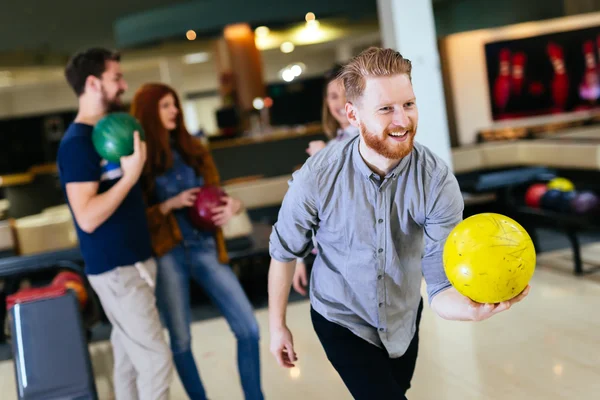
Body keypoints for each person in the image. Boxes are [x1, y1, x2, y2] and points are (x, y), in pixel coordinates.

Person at [267, 47, 530, 400]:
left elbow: (439, 284)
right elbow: (283, 252)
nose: (402, 120)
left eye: (408, 104)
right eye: (386, 108)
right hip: (339, 314)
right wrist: (277, 326)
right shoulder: (317, 177)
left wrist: (472, 309)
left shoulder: (436, 180)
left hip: (403, 314)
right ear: (353, 115)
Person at [131, 82, 264, 400]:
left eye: (174, 104)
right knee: (180, 340)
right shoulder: (139, 159)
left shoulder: (195, 150)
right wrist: (168, 204)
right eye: (165, 105)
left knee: (249, 328)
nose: (174, 110)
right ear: (150, 112)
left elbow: (218, 194)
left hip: (205, 246)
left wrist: (233, 205)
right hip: (168, 254)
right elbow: (136, 218)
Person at [57, 48, 173, 400]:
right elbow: (88, 217)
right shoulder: (77, 144)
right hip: (116, 270)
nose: (123, 85)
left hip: (135, 260)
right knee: (156, 361)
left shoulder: (113, 129)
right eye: (115, 78)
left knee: (127, 362)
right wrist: (129, 176)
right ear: (93, 83)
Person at [293, 64, 360, 296]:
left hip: (354, 257)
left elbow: (354, 193)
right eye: (333, 96)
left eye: (346, 94)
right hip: (326, 256)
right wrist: (299, 258)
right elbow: (309, 204)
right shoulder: (332, 144)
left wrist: (322, 159)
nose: (340, 103)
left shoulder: (368, 140)